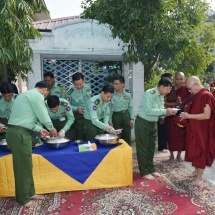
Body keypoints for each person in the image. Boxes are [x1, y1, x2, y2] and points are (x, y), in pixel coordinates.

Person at [6, 81, 57, 207]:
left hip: (19, 132)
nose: (45, 97)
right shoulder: (37, 96)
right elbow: (43, 114)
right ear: (45, 90)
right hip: (19, 135)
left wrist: (39, 129)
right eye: (46, 94)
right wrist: (51, 128)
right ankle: (23, 199)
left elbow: (24, 119)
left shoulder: (25, 95)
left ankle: (30, 192)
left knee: (27, 165)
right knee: (22, 167)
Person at [135, 78, 177, 180]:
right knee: (142, 148)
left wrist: (164, 115)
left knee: (151, 147)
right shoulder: (149, 94)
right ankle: (144, 171)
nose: (169, 91)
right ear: (162, 86)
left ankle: (151, 169)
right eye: (168, 89)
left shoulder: (161, 96)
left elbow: (159, 108)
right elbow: (149, 110)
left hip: (153, 123)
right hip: (143, 123)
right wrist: (165, 111)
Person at [180, 76, 215, 186]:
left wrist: (188, 115)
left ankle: (199, 178)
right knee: (193, 150)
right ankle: (196, 171)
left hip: (203, 131)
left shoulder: (206, 95)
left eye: (190, 88)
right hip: (194, 128)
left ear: (196, 83)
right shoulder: (196, 95)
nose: (189, 91)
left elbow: (206, 115)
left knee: (201, 152)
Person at [166, 72, 190, 161]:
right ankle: (171, 154)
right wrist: (175, 104)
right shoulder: (170, 88)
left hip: (182, 116)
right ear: (174, 79)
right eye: (177, 79)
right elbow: (164, 102)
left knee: (181, 136)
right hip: (171, 115)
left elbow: (190, 102)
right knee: (171, 136)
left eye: (181, 79)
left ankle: (179, 155)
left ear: (184, 79)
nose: (179, 81)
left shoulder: (186, 89)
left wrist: (182, 105)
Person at [65, 72, 91, 140]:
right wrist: (76, 109)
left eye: (80, 84)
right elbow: (67, 105)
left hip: (89, 113)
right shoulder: (70, 91)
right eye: (76, 85)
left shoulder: (88, 86)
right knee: (79, 133)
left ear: (83, 80)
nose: (79, 86)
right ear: (73, 83)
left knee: (90, 132)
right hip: (78, 115)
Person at [109, 75, 134, 145]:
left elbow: (131, 107)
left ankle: (127, 152)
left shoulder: (127, 93)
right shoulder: (111, 94)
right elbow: (109, 109)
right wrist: (110, 121)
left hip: (126, 116)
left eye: (117, 84)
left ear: (122, 84)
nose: (114, 85)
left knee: (127, 135)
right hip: (116, 116)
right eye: (114, 83)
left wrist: (132, 118)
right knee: (117, 136)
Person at [157, 73, 173, 152]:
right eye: (170, 79)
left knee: (166, 130)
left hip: (165, 112)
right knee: (162, 130)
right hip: (161, 113)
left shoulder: (168, 90)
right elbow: (163, 103)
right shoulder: (159, 92)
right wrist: (161, 116)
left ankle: (165, 145)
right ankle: (161, 147)